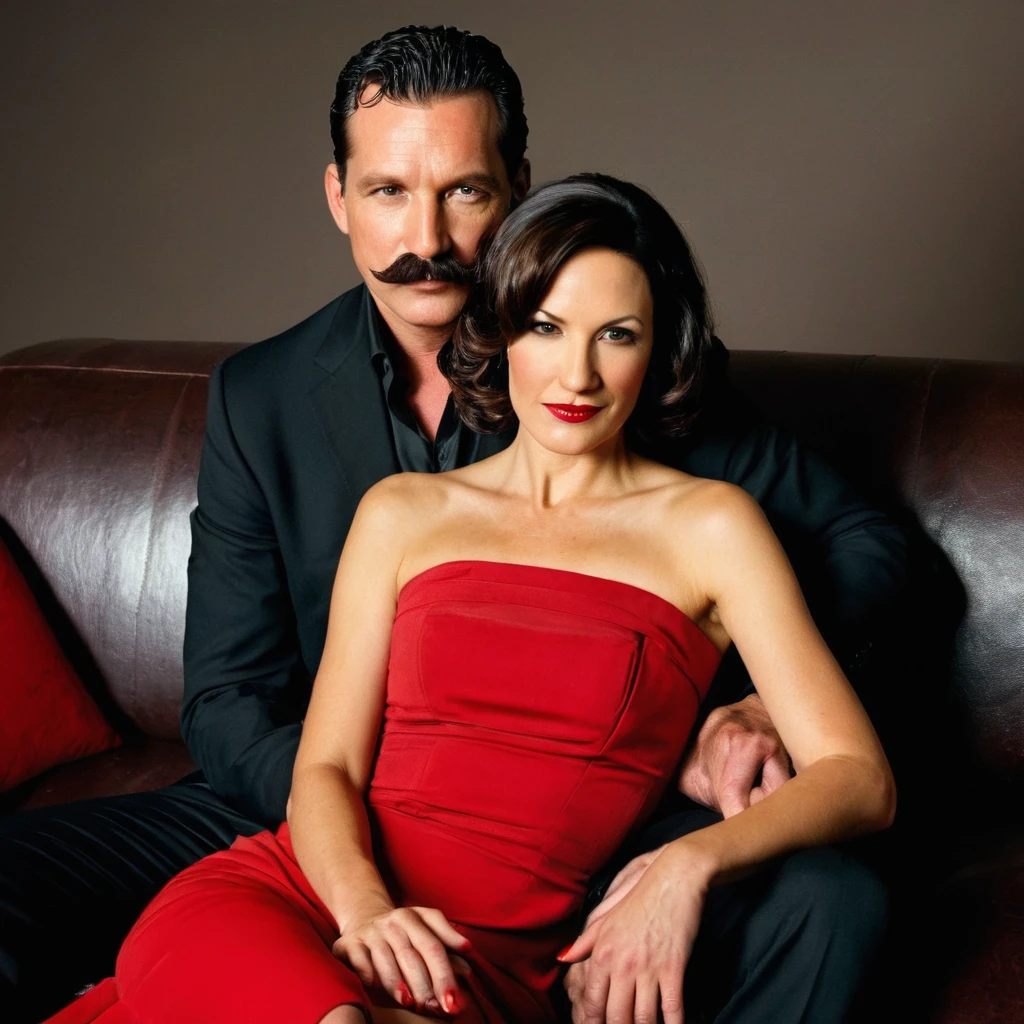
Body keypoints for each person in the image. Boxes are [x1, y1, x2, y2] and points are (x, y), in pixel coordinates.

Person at [2, 26, 907, 1024]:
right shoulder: (268, 403)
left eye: (463, 192)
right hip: (310, 818)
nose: (424, 236)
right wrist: (357, 840)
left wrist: (735, 705)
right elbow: (224, 702)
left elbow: (866, 554)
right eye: (389, 190)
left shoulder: (648, 401)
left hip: (580, 817)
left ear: (514, 188)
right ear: (339, 196)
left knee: (831, 897)